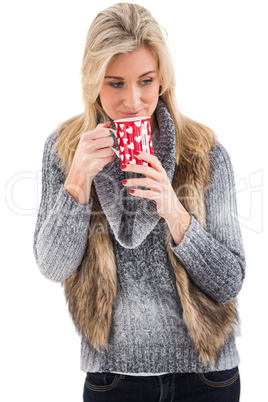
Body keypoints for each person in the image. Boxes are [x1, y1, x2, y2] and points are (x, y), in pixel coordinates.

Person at [33, 3, 246, 401]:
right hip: (112, 380)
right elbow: (52, 266)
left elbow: (230, 281)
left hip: (206, 378)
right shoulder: (64, 151)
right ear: (93, 82)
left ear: (163, 79)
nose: (133, 100)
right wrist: (78, 179)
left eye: (145, 81)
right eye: (116, 84)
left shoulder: (204, 151)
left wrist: (175, 211)